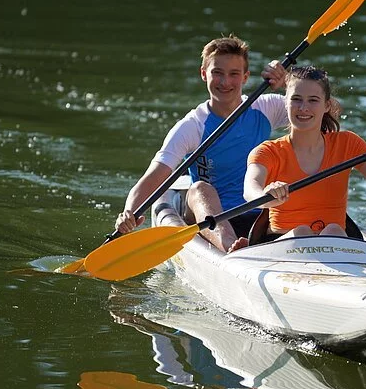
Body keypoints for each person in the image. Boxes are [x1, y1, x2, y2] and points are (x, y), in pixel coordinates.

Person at [115, 35, 289, 253]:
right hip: (211, 218)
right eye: (217, 73)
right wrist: (129, 212)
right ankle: (231, 247)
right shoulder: (192, 126)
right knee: (199, 189)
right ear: (203, 73)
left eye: (234, 74)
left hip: (261, 212)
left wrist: (288, 81)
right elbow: (155, 176)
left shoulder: (266, 108)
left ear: (245, 77)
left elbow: (325, 111)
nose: (225, 82)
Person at [243, 65, 366, 242]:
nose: (303, 108)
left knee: (334, 230)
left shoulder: (347, 144)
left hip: (335, 242)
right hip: (283, 242)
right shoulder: (267, 151)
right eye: (297, 99)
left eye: (313, 100)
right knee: (302, 232)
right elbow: (250, 190)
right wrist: (267, 197)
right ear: (286, 103)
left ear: (326, 105)